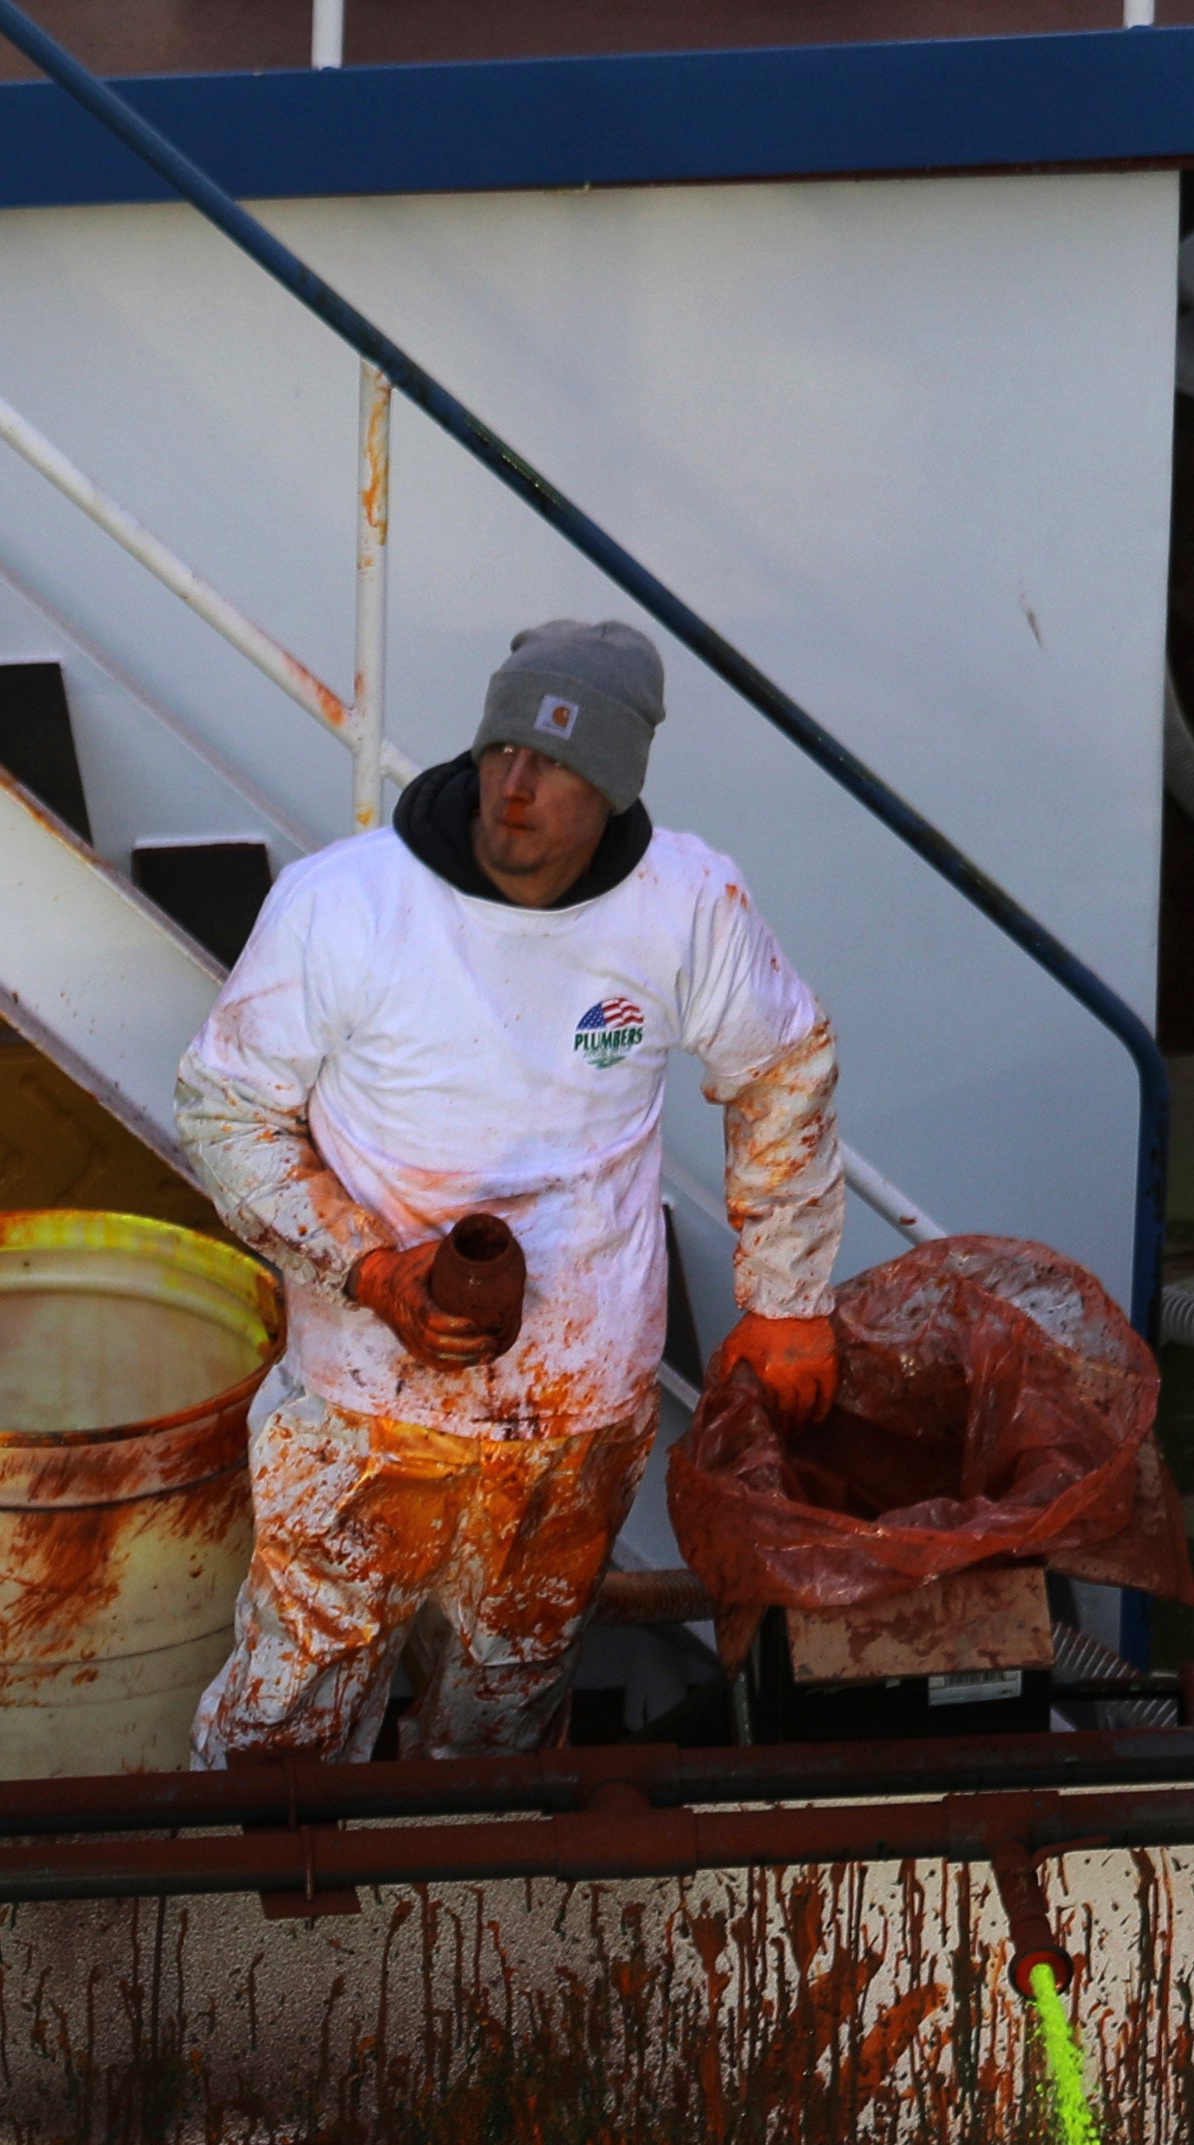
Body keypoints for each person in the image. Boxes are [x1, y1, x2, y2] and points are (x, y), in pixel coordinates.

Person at [167, 619, 845, 1768]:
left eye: (559, 766)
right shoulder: (348, 905)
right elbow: (225, 1108)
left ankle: (469, 1921)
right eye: (502, 752)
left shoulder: (686, 906)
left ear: (618, 785)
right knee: (290, 1720)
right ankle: (251, 1928)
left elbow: (784, 1066)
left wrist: (786, 1300)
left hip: (574, 1423)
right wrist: (371, 1270)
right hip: (361, 1410)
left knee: (506, 1717)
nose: (516, 790)